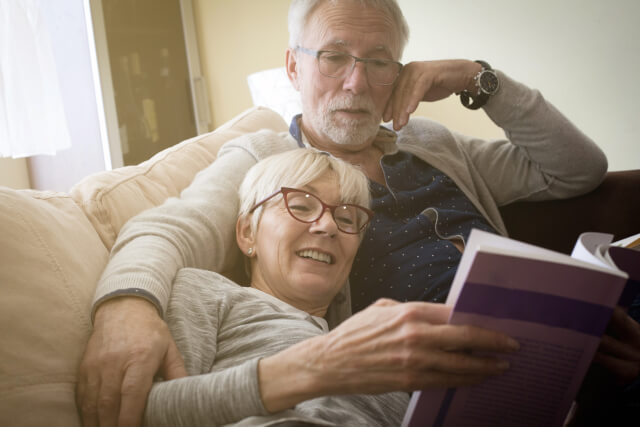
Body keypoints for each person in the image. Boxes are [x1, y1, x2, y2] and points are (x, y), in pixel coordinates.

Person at [76, 0, 640, 426]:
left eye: (378, 62)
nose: (357, 82)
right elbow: (170, 227)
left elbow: (578, 171)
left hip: (555, 345)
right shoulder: (269, 161)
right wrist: (126, 305)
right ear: (294, 68)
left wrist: (478, 80)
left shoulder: (432, 142)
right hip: (446, 385)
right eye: (334, 57)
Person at [145, 148, 420, 426]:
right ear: (247, 232)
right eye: (300, 206)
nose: (328, 226)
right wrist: (304, 371)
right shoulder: (206, 292)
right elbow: (134, 411)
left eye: (346, 218)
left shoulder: (377, 363)